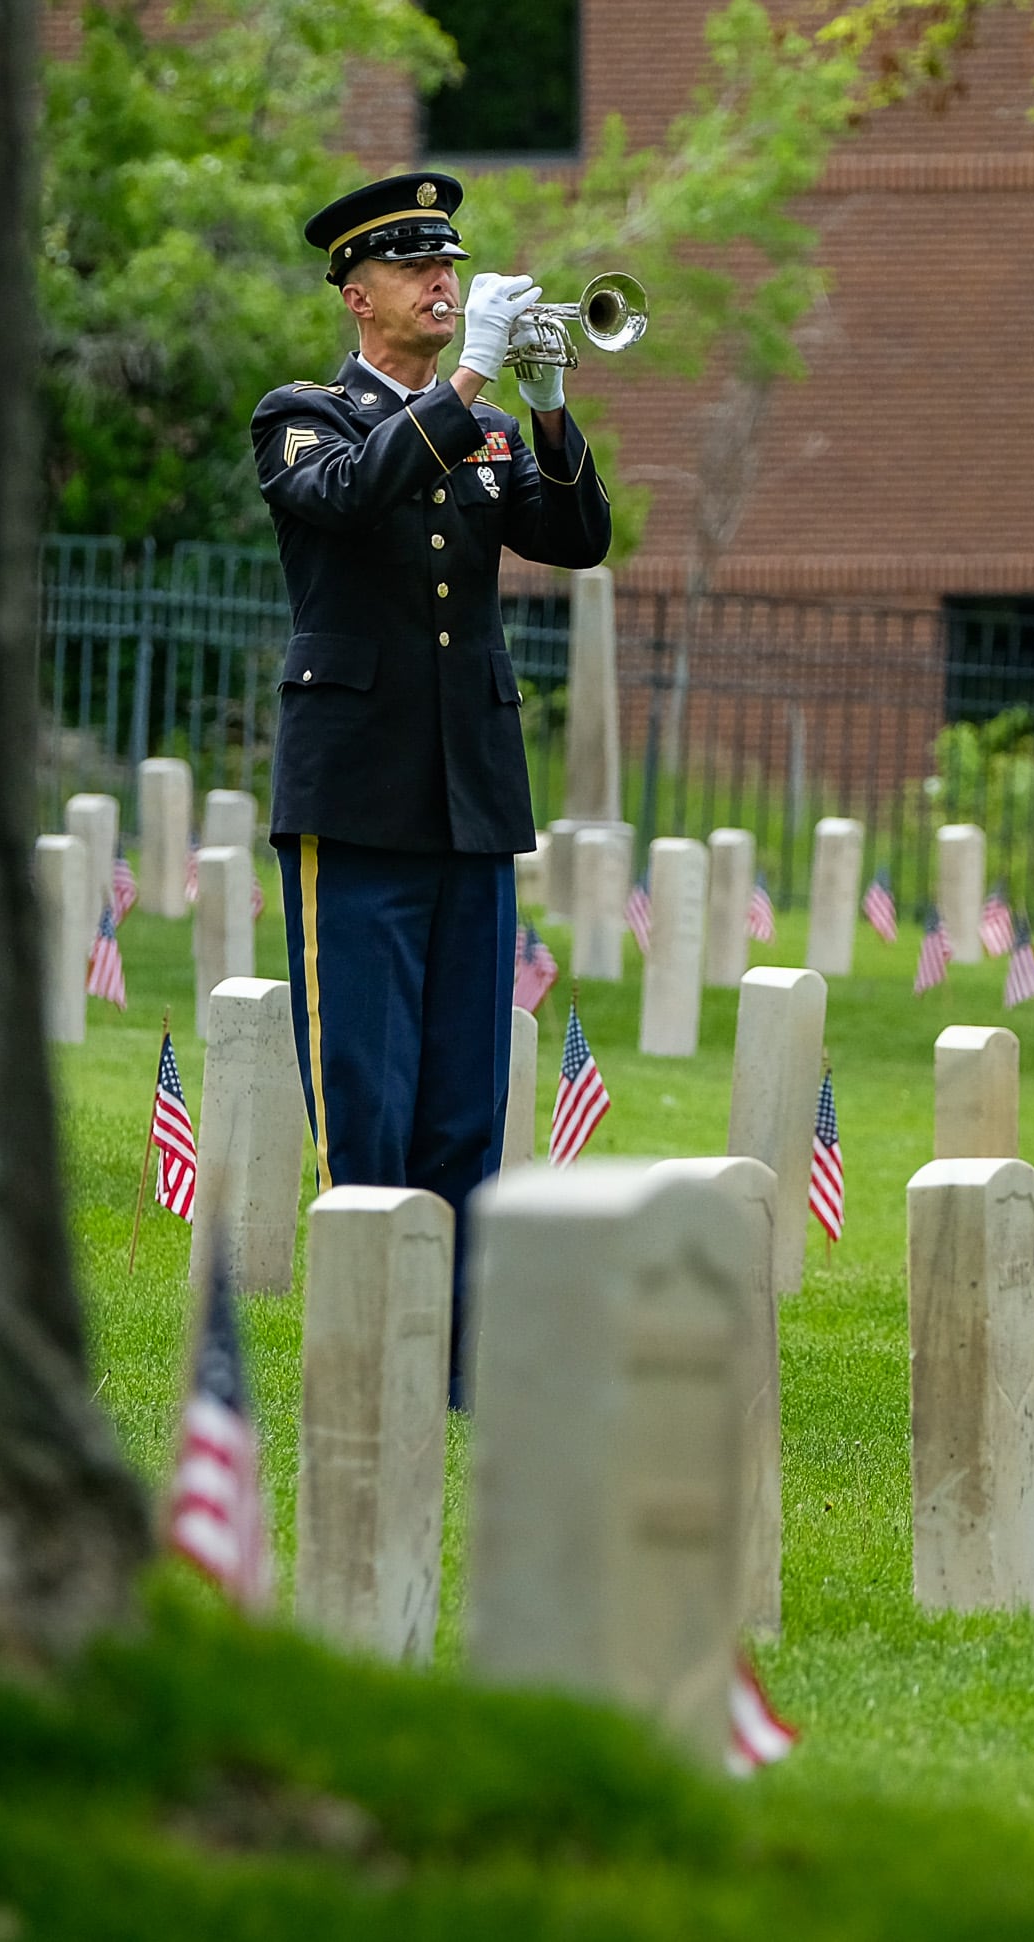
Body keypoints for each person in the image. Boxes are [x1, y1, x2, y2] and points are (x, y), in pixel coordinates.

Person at [252, 172, 612, 1405]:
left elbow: (574, 541)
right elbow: (352, 498)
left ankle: (450, 1377)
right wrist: (467, 391)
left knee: (464, 1111)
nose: (440, 284)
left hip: (470, 802)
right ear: (359, 294)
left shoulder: (488, 430)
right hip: (353, 804)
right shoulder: (304, 415)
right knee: (367, 1099)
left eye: (448, 264)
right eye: (412, 267)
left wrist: (548, 409)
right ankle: (364, 1360)